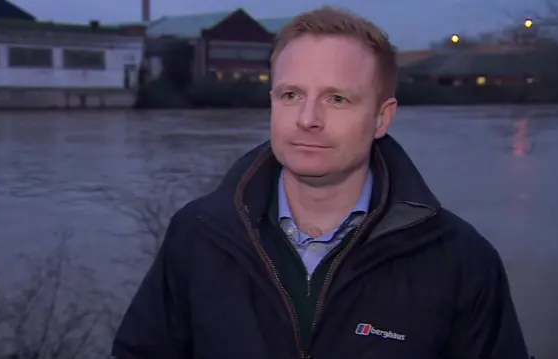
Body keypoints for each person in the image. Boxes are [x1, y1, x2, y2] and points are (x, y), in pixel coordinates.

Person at [112, 6, 530, 359]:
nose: (307, 118)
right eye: (291, 95)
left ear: (381, 118)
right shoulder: (198, 235)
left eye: (337, 99)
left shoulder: (460, 262)